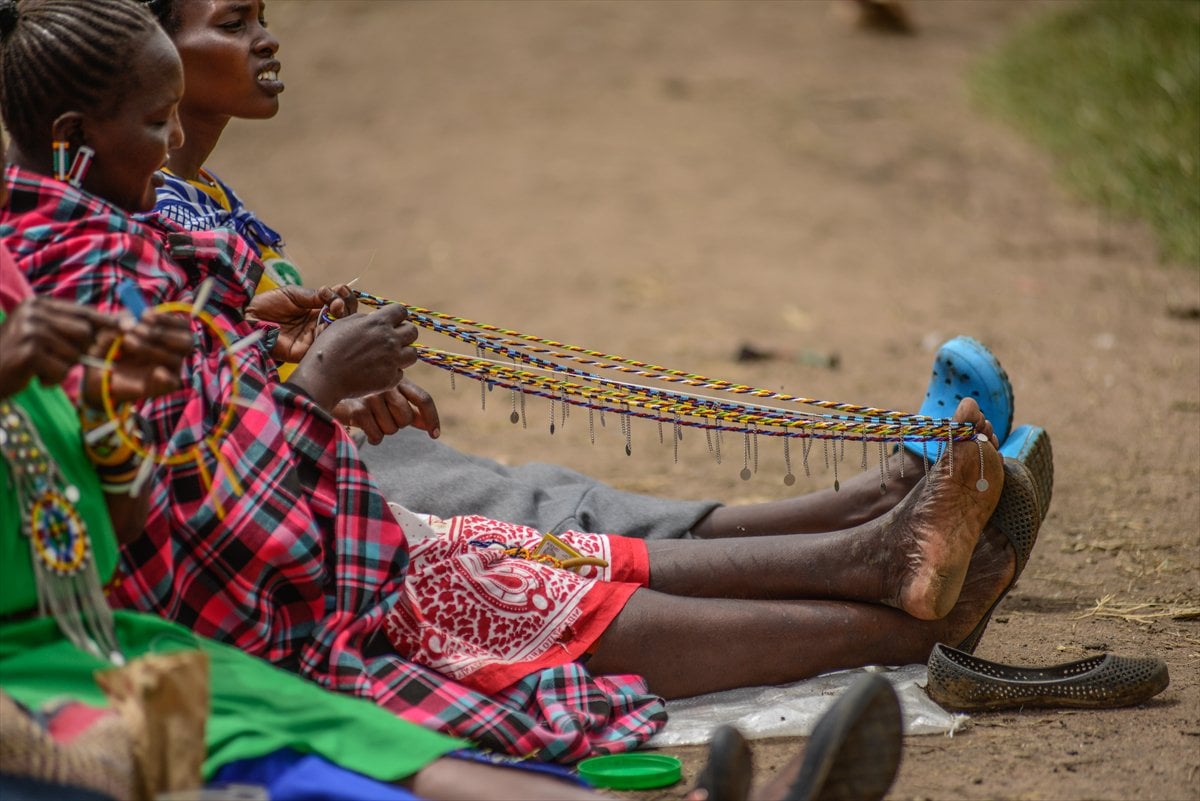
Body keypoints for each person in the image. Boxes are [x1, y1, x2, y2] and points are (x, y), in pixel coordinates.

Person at [0, 0, 1039, 764]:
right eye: (160, 113)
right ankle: (901, 599)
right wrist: (312, 386)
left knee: (521, 541)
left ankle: (874, 548)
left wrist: (265, 351)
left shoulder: (132, 232)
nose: (177, 137)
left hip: (300, 521)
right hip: (254, 581)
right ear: (79, 134)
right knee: (513, 555)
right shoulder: (95, 261)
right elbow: (177, 502)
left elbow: (170, 426)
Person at [142, 0, 1054, 544]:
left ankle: (890, 507)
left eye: (264, 16)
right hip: (263, 492)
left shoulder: (208, 199)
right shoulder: (114, 215)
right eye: (234, 23)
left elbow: (247, 353)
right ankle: (885, 512)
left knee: (549, 497)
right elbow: (182, 393)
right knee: (547, 512)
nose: (268, 39)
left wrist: (331, 377)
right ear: (145, 54)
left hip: (313, 449)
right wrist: (320, 383)